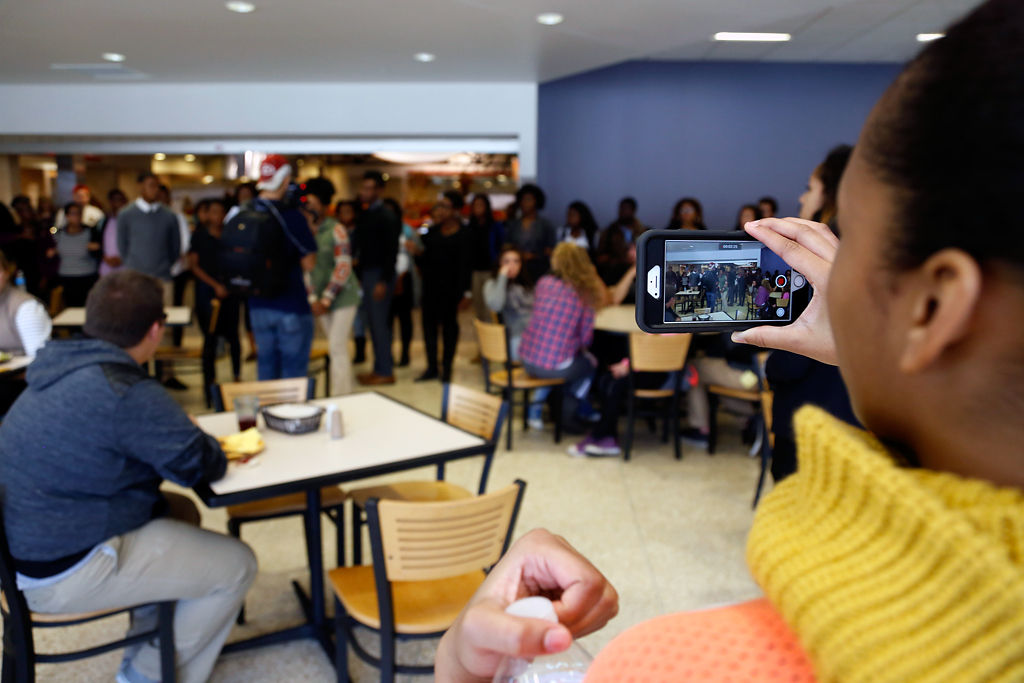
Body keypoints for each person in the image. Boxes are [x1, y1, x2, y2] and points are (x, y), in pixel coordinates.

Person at [441, 3, 1024, 679]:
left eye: (853, 237)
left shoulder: (684, 661)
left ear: (933, 304)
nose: (829, 267)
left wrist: (464, 653)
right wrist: (865, 351)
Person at [0, 270, 256, 683]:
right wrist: (185, 431)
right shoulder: (124, 390)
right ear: (156, 330)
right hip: (60, 569)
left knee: (179, 511)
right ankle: (144, 675)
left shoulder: (56, 369)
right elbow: (204, 465)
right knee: (238, 565)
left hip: (21, 550)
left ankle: (155, 638)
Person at [766, 145, 860, 482]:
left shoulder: (816, 261)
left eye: (810, 187)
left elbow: (792, 360)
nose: (802, 196)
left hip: (809, 420)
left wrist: (771, 367)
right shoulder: (873, 254)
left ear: (831, 193)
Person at [243, 155, 318, 380]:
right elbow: (309, 263)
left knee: (265, 368)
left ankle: (267, 413)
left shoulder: (243, 211)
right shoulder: (291, 216)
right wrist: (309, 228)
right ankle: (290, 415)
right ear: (285, 180)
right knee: (292, 374)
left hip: (256, 305)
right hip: (290, 305)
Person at [519, 243, 607, 430]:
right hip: (553, 365)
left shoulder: (544, 283)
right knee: (589, 365)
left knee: (552, 358)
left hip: (527, 357)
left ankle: (536, 408)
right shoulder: (584, 293)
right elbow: (586, 339)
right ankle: (576, 405)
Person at [188, 198, 241, 407]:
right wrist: (215, 285)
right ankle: (209, 387)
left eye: (221, 212)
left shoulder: (231, 235)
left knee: (234, 338)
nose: (217, 217)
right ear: (206, 214)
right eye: (213, 212)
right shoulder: (200, 236)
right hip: (208, 293)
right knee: (209, 340)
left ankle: (236, 379)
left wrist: (229, 285)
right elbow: (194, 265)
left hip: (230, 292)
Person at [351, 170, 402, 386]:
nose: (366, 192)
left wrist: (383, 280)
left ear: (379, 190)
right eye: (364, 188)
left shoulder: (386, 216)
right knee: (373, 323)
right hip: (367, 274)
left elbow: (391, 251)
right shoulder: (366, 213)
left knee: (379, 325)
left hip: (379, 275)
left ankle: (384, 370)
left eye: (370, 188)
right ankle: (379, 368)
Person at [416, 192, 472, 383]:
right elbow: (423, 260)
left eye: (445, 206)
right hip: (431, 288)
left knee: (449, 329)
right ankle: (432, 366)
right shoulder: (431, 232)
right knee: (429, 328)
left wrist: (467, 292)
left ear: (456, 210)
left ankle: (447, 367)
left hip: (452, 290)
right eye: (439, 206)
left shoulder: (465, 234)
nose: (441, 210)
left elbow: (466, 266)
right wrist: (416, 253)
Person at [309, 187, 360, 396]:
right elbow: (305, 270)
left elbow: (343, 266)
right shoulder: (304, 231)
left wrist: (326, 299)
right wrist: (313, 298)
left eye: (313, 203)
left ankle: (342, 396)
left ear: (323, 206)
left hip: (343, 296)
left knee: (337, 345)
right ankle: (346, 388)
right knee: (335, 347)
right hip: (320, 298)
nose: (308, 208)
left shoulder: (336, 230)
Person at [117, 172, 182, 306]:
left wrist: (165, 265)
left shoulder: (169, 215)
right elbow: (122, 245)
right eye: (151, 186)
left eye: (157, 186)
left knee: (164, 317)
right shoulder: (126, 214)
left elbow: (175, 246)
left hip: (162, 276)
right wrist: (133, 264)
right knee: (135, 317)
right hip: (135, 276)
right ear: (140, 187)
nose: (155, 190)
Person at [385, 197, 421, 368]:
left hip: (405, 278)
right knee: (387, 320)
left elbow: (420, 252)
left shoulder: (407, 230)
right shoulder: (380, 231)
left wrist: (413, 248)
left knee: (405, 319)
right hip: (386, 279)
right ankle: (388, 354)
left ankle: (405, 353)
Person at [159, 183, 194, 353]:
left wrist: (172, 256)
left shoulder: (177, 216)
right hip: (156, 271)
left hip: (176, 271)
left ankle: (175, 347)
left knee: (176, 312)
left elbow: (184, 244)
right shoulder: (150, 217)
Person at [483, 245, 534, 362]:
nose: (512, 265)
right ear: (500, 264)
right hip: (516, 335)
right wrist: (502, 277)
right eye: (507, 261)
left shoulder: (527, 284)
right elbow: (496, 306)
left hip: (536, 332)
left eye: (516, 261)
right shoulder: (492, 284)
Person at [504, 184, 557, 283]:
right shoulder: (513, 225)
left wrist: (533, 256)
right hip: (517, 270)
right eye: (522, 200)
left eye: (528, 200)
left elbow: (551, 250)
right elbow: (507, 246)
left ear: (536, 201)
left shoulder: (545, 225)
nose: (525, 203)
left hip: (539, 269)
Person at [53, 203, 101, 307]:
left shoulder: (91, 231)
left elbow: (100, 251)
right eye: (73, 213)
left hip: (87, 275)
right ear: (66, 216)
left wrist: (96, 248)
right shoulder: (58, 233)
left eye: (79, 213)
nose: (76, 216)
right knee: (71, 308)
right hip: (67, 276)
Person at [468, 194, 505, 323]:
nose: (478, 208)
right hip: (475, 270)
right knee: (478, 306)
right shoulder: (470, 227)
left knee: (490, 305)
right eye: (476, 205)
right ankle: (482, 335)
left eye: (481, 205)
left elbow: (501, 246)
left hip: (490, 270)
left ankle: (491, 335)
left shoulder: (495, 226)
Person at [595, 197, 645, 286]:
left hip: (638, 275)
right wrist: (621, 259)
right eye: (621, 208)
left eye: (626, 208)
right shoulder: (609, 232)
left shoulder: (643, 232)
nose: (623, 211)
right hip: (615, 275)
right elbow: (600, 258)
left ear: (633, 210)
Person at [99, 188, 127, 277]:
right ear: (110, 202)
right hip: (106, 267)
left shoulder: (132, 222)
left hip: (126, 268)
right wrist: (105, 257)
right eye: (114, 200)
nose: (117, 203)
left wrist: (122, 259)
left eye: (120, 200)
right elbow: (96, 243)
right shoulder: (103, 221)